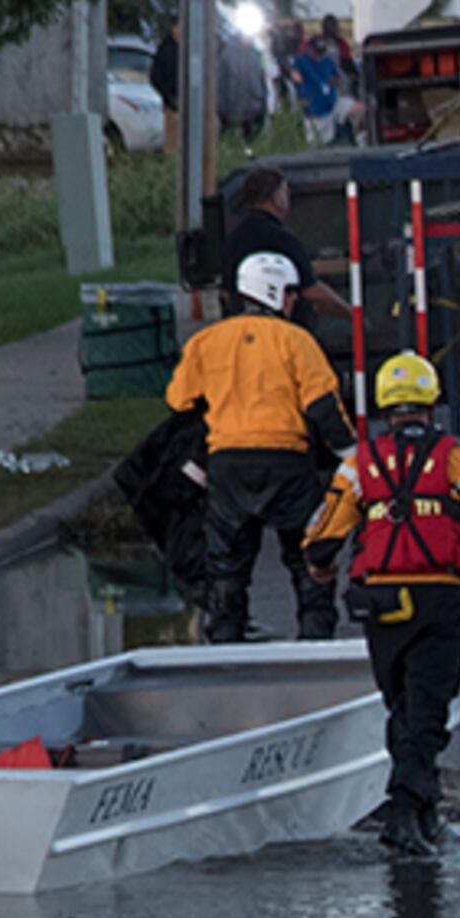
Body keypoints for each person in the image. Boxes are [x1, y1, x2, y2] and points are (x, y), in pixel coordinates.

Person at [302, 351, 460, 860]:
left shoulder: (361, 463)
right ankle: (403, 813)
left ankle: (425, 811)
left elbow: (321, 536)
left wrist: (321, 567)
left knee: (404, 708)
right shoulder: (458, 460)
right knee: (426, 711)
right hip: (441, 599)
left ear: (384, 406)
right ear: (431, 403)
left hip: (382, 604)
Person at [169, 250, 349, 640]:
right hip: (287, 463)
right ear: (273, 292)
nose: (294, 300)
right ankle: (314, 645)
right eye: (290, 293)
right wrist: (350, 456)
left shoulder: (207, 342)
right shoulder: (297, 341)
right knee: (308, 562)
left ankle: (226, 650)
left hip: (227, 465)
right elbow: (324, 407)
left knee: (227, 566)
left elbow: (179, 401)